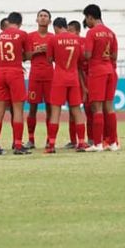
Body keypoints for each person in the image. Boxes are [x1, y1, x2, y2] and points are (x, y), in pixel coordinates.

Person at [46, 17, 88, 153]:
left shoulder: (53, 39)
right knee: (77, 111)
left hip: (59, 78)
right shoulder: (76, 39)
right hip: (73, 78)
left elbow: (49, 59)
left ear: (56, 27)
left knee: (55, 111)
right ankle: (81, 142)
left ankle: (51, 145)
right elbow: (81, 58)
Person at [0, 11, 32, 155]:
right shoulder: (22, 34)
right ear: (20, 23)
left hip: (1, 72)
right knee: (18, 109)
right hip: (15, 72)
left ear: (8, 22)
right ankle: (18, 145)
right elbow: (27, 56)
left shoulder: (0, 35)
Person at [82, 4, 119, 152]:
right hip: (110, 70)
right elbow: (114, 56)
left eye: (86, 18)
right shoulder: (111, 33)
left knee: (96, 107)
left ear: (90, 17)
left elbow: (88, 55)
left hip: (97, 71)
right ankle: (113, 142)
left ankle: (97, 143)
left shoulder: (92, 33)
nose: (87, 21)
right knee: (109, 107)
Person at [25, 9, 54, 149]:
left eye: (45, 16)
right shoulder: (30, 37)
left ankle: (50, 139)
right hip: (35, 76)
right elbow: (25, 56)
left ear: (50, 21)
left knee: (50, 108)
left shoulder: (53, 37)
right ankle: (31, 139)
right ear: (36, 20)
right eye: (40, 16)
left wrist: (47, 51)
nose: (43, 18)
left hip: (50, 76)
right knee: (32, 108)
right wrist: (37, 51)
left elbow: (56, 57)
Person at [68, 19, 94, 146]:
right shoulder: (69, 43)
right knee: (73, 111)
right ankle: (73, 141)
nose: (69, 33)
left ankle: (91, 138)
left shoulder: (84, 42)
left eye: (71, 31)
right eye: (68, 31)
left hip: (87, 79)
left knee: (89, 110)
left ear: (78, 31)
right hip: (74, 79)